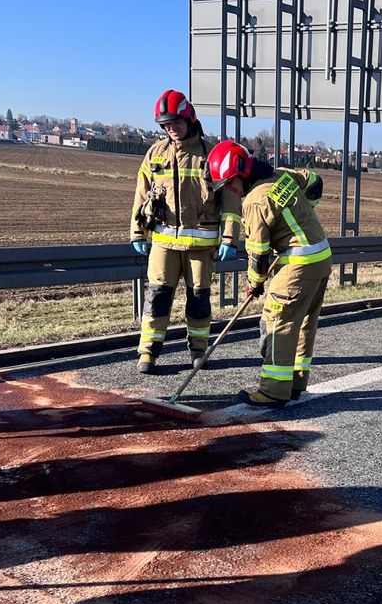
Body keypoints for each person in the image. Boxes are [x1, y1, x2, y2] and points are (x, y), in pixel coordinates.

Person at [205, 140, 329, 407]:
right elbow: (315, 182)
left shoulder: (254, 201)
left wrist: (255, 283)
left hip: (298, 263)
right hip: (320, 257)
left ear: (241, 174)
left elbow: (258, 253)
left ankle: (273, 391)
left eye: (229, 184)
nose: (230, 190)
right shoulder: (281, 175)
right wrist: (306, 208)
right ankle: (295, 382)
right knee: (304, 321)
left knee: (279, 320)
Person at [129, 89, 243, 373]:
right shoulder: (155, 153)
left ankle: (199, 351)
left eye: (176, 123)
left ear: (190, 119)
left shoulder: (210, 155)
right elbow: (141, 195)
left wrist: (230, 237)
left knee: (199, 301)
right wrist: (137, 232)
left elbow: (230, 202)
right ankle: (148, 353)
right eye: (166, 125)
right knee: (157, 299)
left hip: (200, 247)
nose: (172, 129)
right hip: (163, 243)